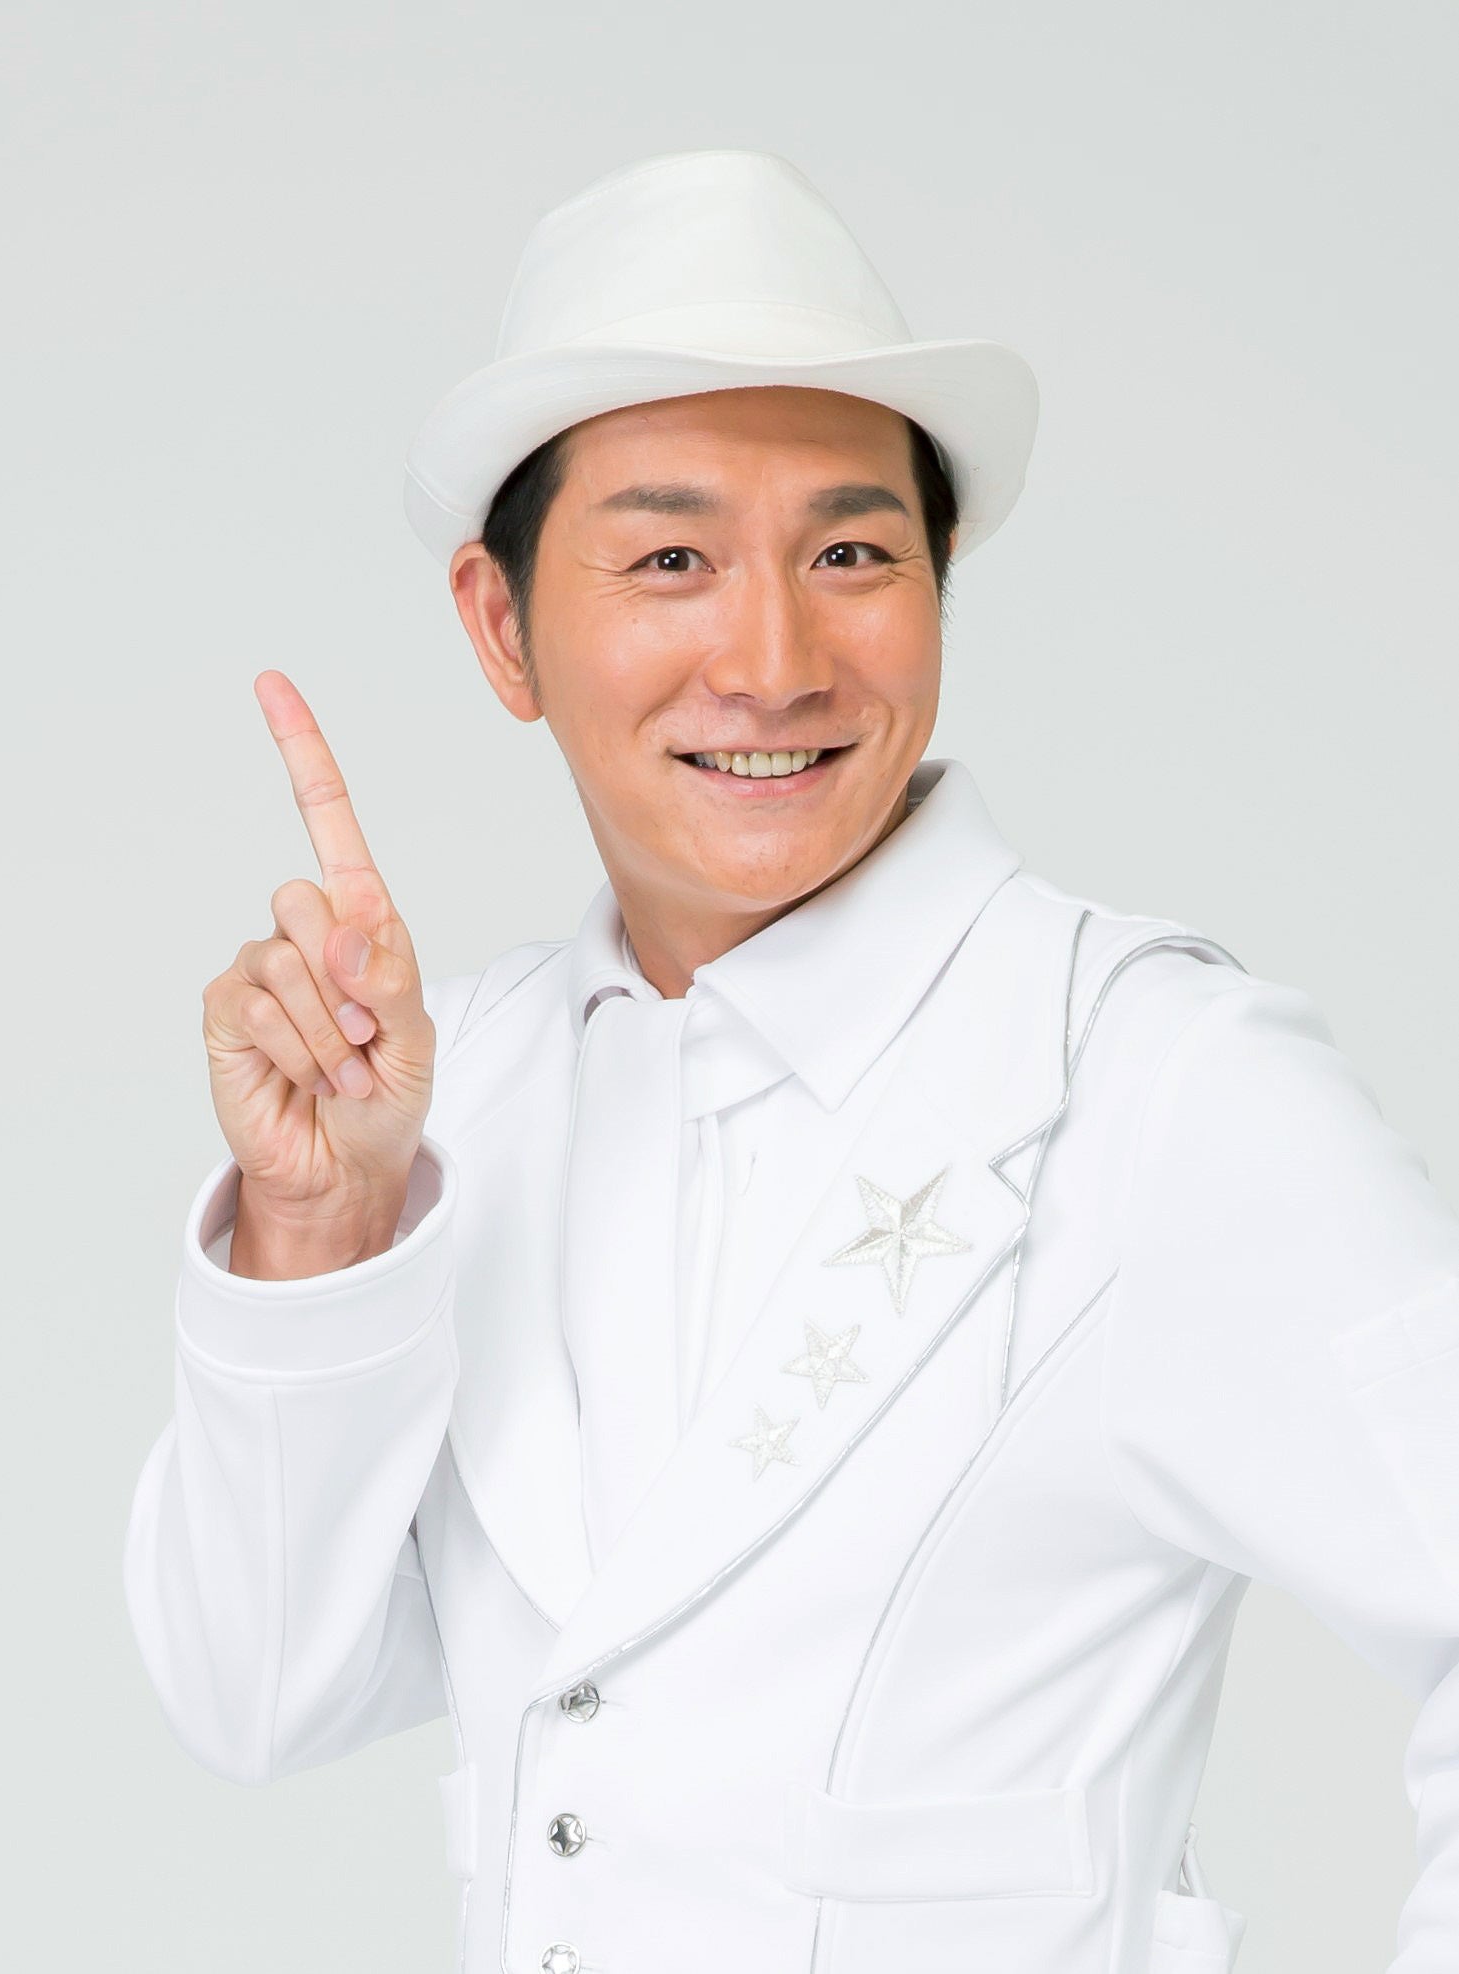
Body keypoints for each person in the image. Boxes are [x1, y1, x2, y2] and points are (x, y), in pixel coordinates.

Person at [123, 149, 1459, 1974]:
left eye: (848, 553)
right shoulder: (461, 1096)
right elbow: (255, 1690)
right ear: (503, 626)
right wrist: (319, 1235)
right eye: (670, 558)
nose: (770, 658)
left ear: (938, 580)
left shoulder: (1157, 1084)